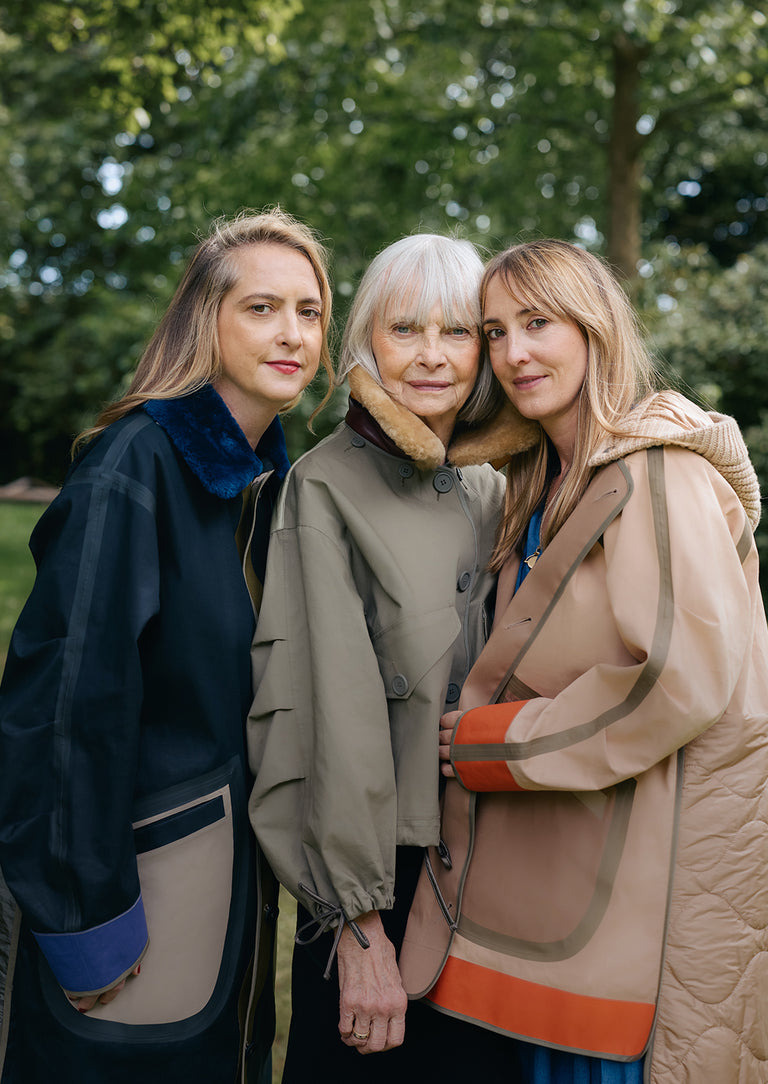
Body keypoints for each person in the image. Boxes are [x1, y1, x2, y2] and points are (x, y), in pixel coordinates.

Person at [398, 238, 768, 1083]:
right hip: (545, 912)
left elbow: (678, 677)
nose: (514, 353)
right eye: (494, 332)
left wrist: (493, 746)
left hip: (630, 917)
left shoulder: (658, 471)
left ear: (594, 326)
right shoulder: (543, 484)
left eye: (538, 322)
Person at [0, 208, 333, 1084]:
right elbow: (65, 706)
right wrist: (85, 924)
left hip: (226, 901)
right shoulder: (134, 465)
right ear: (205, 321)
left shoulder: (271, 491)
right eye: (261, 308)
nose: (292, 333)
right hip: (133, 903)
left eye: (310, 311)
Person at [247, 233, 538, 1081]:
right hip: (386, 880)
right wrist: (359, 925)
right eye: (404, 329)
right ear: (366, 338)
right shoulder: (325, 485)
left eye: (456, 332)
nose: (432, 358)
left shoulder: (498, 482)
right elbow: (321, 715)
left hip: (493, 874)